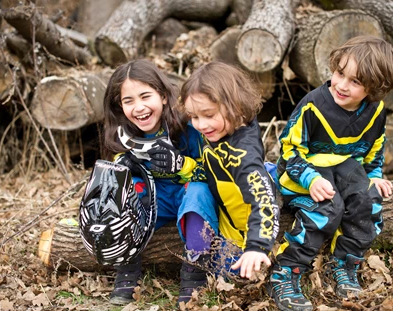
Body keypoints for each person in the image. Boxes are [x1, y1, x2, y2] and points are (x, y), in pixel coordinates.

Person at [269, 35, 393, 311]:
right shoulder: (313, 105)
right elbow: (290, 150)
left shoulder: (375, 111)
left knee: (369, 201)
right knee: (328, 208)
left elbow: (375, 147)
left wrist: (374, 174)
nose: (341, 85)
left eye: (355, 81)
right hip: (303, 170)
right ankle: (286, 270)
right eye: (340, 73)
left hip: (345, 166)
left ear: (375, 88)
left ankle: (344, 263)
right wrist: (310, 178)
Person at [101, 59, 219, 305]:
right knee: (124, 188)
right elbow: (116, 166)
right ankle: (127, 268)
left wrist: (181, 165)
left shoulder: (189, 126)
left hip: (190, 196)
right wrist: (125, 163)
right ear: (119, 105)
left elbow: (215, 172)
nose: (139, 107)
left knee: (198, 191)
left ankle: (194, 270)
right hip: (156, 200)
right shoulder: (123, 132)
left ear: (164, 96)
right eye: (128, 101)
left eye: (146, 96)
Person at [179, 61, 280, 280]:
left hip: (243, 232)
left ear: (236, 106)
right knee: (196, 189)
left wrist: (257, 246)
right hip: (226, 208)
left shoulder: (243, 155)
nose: (201, 125)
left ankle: (199, 268)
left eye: (208, 115)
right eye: (194, 117)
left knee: (229, 274)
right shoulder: (222, 129)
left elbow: (264, 201)